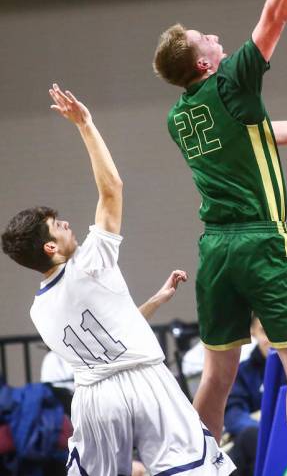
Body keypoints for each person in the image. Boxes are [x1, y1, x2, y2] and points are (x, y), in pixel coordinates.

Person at [152, 0, 287, 476]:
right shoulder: (230, 80)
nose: (214, 34)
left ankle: (195, 468)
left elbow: (256, 137)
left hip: (215, 250)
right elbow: (274, 14)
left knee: (217, 374)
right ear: (206, 62)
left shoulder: (180, 117)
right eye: (204, 36)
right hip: (260, 241)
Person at [1, 85, 233, 476]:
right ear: (49, 249)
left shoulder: (39, 310)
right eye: (58, 227)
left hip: (94, 400)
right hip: (145, 381)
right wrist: (86, 125)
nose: (68, 225)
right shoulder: (90, 261)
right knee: (195, 470)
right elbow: (112, 190)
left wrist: (154, 301)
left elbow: (108, 337)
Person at [40, 268, 188, 476]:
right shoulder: (59, 307)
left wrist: (156, 300)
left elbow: (121, 332)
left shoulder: (53, 305)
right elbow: (117, 336)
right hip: (103, 406)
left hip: (116, 404)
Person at [224, 317, 272, 476]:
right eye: (265, 331)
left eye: (276, 329)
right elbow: (233, 415)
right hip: (259, 443)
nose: (272, 339)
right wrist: (267, 431)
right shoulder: (242, 372)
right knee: (252, 437)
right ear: (253, 332)